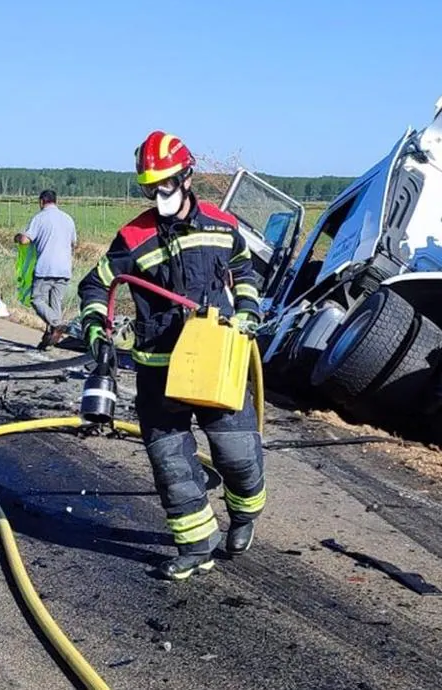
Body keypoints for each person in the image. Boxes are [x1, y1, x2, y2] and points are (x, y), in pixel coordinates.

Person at [77, 130, 266, 581]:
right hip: (158, 369)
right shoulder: (133, 237)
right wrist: (96, 329)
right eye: (149, 187)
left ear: (185, 177)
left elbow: (244, 270)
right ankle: (196, 545)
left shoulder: (222, 226)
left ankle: (243, 516)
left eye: (164, 184)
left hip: (216, 361)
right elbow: (95, 284)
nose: (157, 194)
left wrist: (248, 309)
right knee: (172, 464)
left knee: (237, 453)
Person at [15, 189, 77, 350]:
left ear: (42, 201)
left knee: (37, 299)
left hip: (46, 268)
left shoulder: (40, 218)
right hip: (64, 269)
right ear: (56, 201)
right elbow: (73, 243)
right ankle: (50, 342)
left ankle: (56, 325)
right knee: (55, 303)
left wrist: (18, 236)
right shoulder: (68, 219)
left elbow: (25, 240)